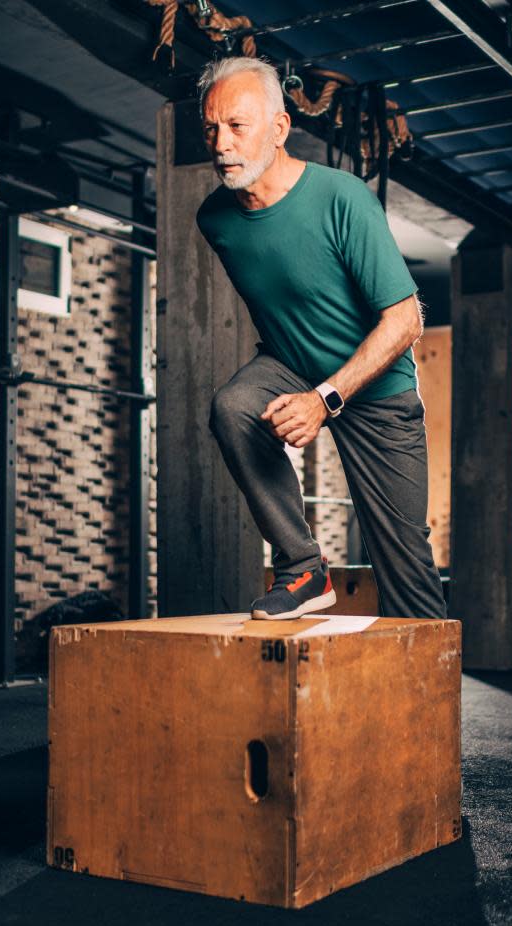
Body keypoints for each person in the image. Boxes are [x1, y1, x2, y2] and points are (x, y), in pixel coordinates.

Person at [195, 55, 447, 622]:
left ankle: (431, 706)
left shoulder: (343, 198)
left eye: (238, 126)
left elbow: (405, 322)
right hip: (290, 365)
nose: (221, 143)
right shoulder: (215, 218)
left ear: (280, 129)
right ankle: (304, 568)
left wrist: (325, 399)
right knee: (233, 406)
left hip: (378, 392)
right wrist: (305, 384)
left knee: (405, 571)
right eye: (211, 128)